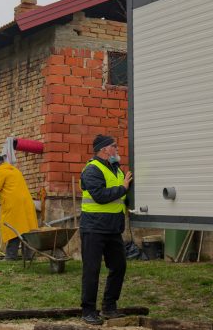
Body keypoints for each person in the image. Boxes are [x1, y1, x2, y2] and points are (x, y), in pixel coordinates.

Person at [79, 134, 133, 325]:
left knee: (119, 266)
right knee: (92, 270)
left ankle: (109, 307)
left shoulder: (116, 169)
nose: (117, 149)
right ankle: (88, 311)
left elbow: (120, 195)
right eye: (114, 146)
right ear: (104, 150)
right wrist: (123, 188)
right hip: (93, 228)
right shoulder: (92, 170)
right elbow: (100, 196)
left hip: (112, 228)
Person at [0, 154, 39, 261]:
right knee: (25, 230)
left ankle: (10, 256)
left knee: (12, 229)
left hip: (14, 205)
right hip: (26, 203)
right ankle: (28, 256)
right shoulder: (15, 170)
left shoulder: (2, 171)